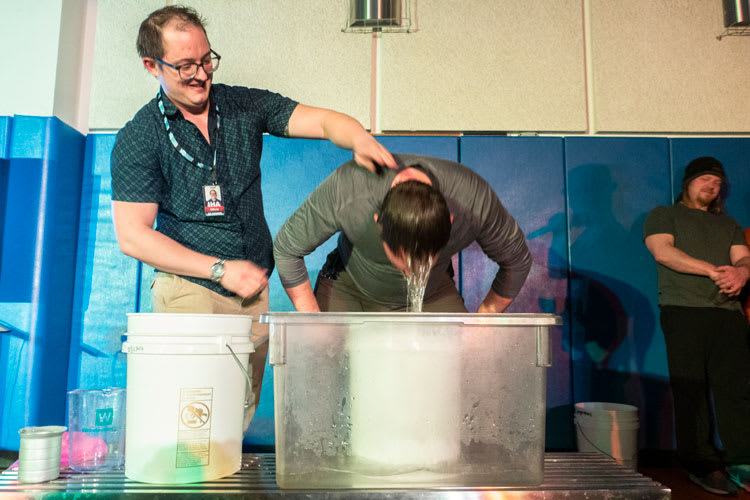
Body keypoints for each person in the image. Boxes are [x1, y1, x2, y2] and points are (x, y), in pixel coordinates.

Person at [110, 6, 395, 425]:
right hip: (191, 291)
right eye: (186, 66)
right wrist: (219, 268)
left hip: (252, 292)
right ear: (152, 65)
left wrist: (357, 138)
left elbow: (323, 120)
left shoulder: (241, 105)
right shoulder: (139, 136)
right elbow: (133, 236)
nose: (201, 75)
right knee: (192, 417)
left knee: (236, 413)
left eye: (206, 60)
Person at [273, 154, 532, 313]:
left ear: (450, 221)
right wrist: (312, 322)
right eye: (403, 261)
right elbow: (286, 248)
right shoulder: (350, 189)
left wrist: (487, 316)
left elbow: (517, 260)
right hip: (352, 286)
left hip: (432, 292)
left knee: (462, 364)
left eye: (422, 261)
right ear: (379, 224)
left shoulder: (473, 200)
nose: (410, 272)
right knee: (328, 365)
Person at [643, 156, 750, 496]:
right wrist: (711, 270)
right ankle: (701, 464)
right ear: (687, 183)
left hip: (728, 313)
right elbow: (663, 252)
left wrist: (742, 272)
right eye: (704, 179)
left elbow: (743, 257)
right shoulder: (665, 214)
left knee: (737, 390)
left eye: (717, 183)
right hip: (683, 311)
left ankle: (742, 461)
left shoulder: (729, 224)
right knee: (691, 390)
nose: (711, 186)